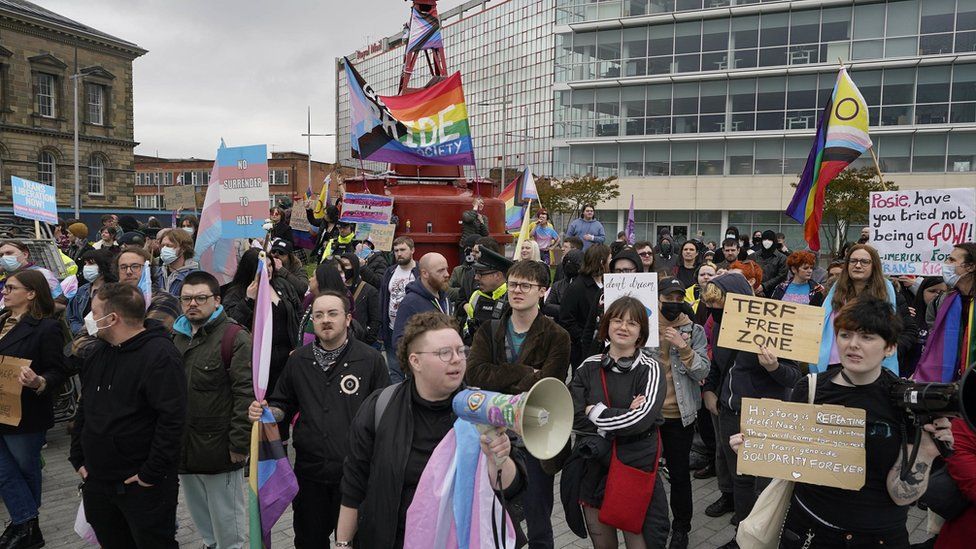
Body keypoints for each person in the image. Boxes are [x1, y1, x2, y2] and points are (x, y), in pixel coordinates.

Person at [731, 297, 953, 548]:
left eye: (867, 337)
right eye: (845, 335)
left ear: (890, 347)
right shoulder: (811, 388)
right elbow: (792, 455)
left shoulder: (905, 401)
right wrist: (757, 448)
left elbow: (901, 496)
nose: (853, 345)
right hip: (809, 532)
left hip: (876, 538)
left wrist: (926, 451)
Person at [336, 312, 526, 549]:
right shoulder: (380, 407)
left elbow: (512, 487)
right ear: (415, 361)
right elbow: (354, 485)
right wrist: (343, 544)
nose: (457, 359)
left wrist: (499, 459)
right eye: (444, 353)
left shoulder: (480, 408)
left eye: (460, 351)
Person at [249, 292, 389, 547]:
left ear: (347, 319)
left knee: (356, 541)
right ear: (312, 320)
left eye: (332, 313)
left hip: (355, 475)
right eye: (319, 315)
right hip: (310, 474)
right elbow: (283, 404)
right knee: (308, 540)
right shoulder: (299, 360)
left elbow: (385, 418)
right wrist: (267, 412)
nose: (325, 320)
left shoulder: (370, 361)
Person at [69, 283, 186, 549]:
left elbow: (172, 420)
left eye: (94, 310)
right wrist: (78, 457)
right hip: (98, 481)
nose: (89, 316)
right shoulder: (99, 352)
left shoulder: (160, 355)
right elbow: (86, 406)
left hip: (142, 486)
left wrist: (150, 473)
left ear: (112, 318)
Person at [466, 259, 571, 549]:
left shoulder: (557, 336)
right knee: (494, 514)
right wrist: (525, 373)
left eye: (526, 285)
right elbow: (475, 373)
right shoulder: (489, 329)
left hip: (535, 436)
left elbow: (547, 387)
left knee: (538, 520)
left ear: (542, 292)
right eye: (513, 284)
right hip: (492, 433)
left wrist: (498, 380)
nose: (518, 290)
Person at [700, 272, 801, 543]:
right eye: (710, 305)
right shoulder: (721, 325)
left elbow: (794, 377)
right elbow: (719, 366)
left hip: (762, 416)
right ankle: (742, 537)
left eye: (720, 304)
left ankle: (768, 536)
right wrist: (709, 390)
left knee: (764, 484)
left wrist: (774, 367)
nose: (714, 311)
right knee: (740, 480)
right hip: (729, 413)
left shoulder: (772, 326)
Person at [568, 296, 669, 548]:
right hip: (594, 469)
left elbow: (642, 420)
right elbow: (573, 415)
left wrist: (596, 412)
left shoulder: (651, 368)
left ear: (641, 333)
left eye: (632, 323)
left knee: (640, 541)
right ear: (606, 325)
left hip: (633, 468)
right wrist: (623, 413)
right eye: (617, 320)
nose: (623, 327)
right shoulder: (587, 367)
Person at [172, 271, 252, 549]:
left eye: (201, 298)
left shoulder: (234, 337)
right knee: (203, 521)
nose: (193, 304)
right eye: (187, 299)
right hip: (184, 448)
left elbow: (246, 393)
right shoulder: (177, 336)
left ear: (216, 300)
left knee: (228, 525)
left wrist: (239, 444)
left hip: (220, 448)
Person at [0, 271, 67, 549]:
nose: (5, 291)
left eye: (11, 288)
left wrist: (39, 381)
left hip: (25, 413)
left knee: (25, 469)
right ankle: (26, 522)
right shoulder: (2, 320)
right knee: (4, 471)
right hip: (1, 407)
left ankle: (26, 528)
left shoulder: (46, 327)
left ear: (31, 294)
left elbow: (58, 370)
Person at [650, 278, 709, 549]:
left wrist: (683, 347)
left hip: (680, 416)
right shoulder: (646, 323)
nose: (672, 303)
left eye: (677, 297)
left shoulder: (693, 329)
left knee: (679, 474)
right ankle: (648, 522)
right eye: (667, 298)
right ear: (658, 298)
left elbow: (702, 371)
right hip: (649, 415)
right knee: (646, 472)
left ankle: (681, 527)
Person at [816, 244, 917, 376]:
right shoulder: (834, 292)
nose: (858, 265)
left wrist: (887, 352)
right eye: (853, 261)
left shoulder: (889, 293)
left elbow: (909, 330)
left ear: (873, 265)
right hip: (833, 367)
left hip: (874, 369)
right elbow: (819, 326)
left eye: (864, 262)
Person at [223, 249, 301, 399]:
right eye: (263, 266)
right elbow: (231, 323)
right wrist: (248, 300)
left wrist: (298, 345)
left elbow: (298, 312)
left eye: (270, 265)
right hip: (257, 359)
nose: (268, 270)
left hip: (286, 355)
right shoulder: (236, 292)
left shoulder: (283, 285)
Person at [915, 243, 976, 383]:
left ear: (971, 267)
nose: (946, 264)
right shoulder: (945, 301)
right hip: (952, 381)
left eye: (952, 260)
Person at [560, 244, 611, 368]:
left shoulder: (607, 283)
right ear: (601, 261)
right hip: (584, 351)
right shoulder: (577, 287)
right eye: (610, 258)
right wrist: (584, 337)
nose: (612, 262)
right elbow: (566, 319)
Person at [392, 252, 451, 354]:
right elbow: (399, 341)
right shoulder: (410, 303)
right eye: (441, 271)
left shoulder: (445, 298)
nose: (447, 274)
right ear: (425, 273)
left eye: (446, 269)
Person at [380, 237, 419, 383]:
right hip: (392, 330)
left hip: (414, 331)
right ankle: (397, 402)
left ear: (412, 250)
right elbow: (383, 299)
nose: (399, 253)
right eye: (396, 251)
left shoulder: (420, 272)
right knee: (395, 372)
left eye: (403, 250)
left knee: (414, 371)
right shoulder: (390, 272)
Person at [114, 247, 181, 330]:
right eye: (123, 267)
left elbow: (148, 334)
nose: (128, 272)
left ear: (148, 269)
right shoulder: (110, 299)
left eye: (135, 266)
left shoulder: (166, 300)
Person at [459, 247, 513, 344]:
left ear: (498, 275)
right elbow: (467, 329)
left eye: (481, 274)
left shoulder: (516, 297)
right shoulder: (476, 295)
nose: (476, 278)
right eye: (476, 273)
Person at [903, 276, 947, 379]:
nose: (937, 295)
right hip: (908, 377)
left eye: (942, 292)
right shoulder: (909, 317)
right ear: (921, 292)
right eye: (932, 291)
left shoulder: (952, 322)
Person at [67, 249, 118, 334]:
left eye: (91, 263)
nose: (86, 267)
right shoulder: (82, 290)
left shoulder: (115, 291)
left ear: (102, 267)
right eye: (85, 263)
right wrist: (81, 330)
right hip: (83, 337)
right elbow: (72, 317)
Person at [340, 252, 381, 346]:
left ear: (355, 267)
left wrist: (367, 340)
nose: (343, 269)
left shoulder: (369, 290)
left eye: (346, 265)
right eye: (341, 265)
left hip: (359, 342)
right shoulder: (336, 287)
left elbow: (375, 320)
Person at [158, 228, 198, 298]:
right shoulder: (157, 273)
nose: (164, 249)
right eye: (162, 246)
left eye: (169, 246)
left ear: (183, 249)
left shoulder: (194, 276)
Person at [544, 248, 583, 320]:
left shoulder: (586, 286)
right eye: (567, 262)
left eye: (573, 263)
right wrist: (567, 310)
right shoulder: (558, 285)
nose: (569, 265)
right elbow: (547, 307)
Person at [754, 230, 788, 296]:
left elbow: (781, 276)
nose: (767, 241)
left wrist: (763, 286)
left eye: (769, 239)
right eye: (764, 239)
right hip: (755, 292)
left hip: (774, 293)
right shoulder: (754, 255)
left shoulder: (782, 258)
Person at [459, 197, 489, 262]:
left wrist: (481, 222)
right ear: (473, 204)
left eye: (482, 203)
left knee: (476, 265)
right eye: (479, 203)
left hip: (477, 247)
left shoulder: (484, 218)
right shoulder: (466, 213)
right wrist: (475, 208)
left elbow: (486, 233)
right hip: (466, 245)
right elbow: (469, 219)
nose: (481, 205)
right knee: (467, 264)